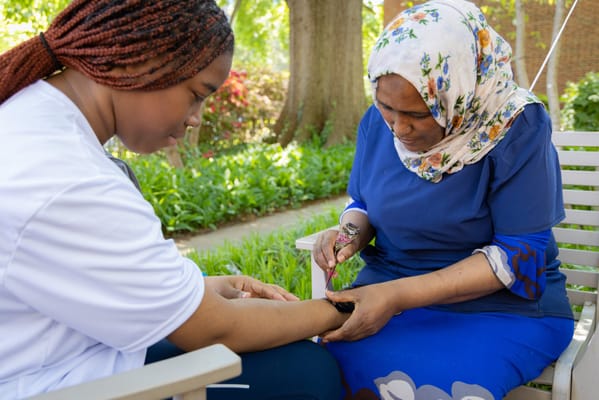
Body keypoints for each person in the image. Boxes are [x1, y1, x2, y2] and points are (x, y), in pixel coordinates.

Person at [0, 1, 349, 399]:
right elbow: (215, 328)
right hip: (50, 383)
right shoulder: (70, 178)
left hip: (59, 352)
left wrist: (199, 289)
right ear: (135, 61)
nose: (196, 117)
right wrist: (341, 308)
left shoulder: (31, 119)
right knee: (307, 372)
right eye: (196, 95)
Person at [312, 0, 574, 399]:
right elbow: (363, 204)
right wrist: (346, 233)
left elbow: (521, 253)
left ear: (458, 92)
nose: (398, 128)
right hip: (384, 293)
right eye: (387, 108)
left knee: (431, 389)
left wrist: (397, 296)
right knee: (310, 372)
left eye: (418, 114)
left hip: (500, 310)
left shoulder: (515, 126)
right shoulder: (375, 122)